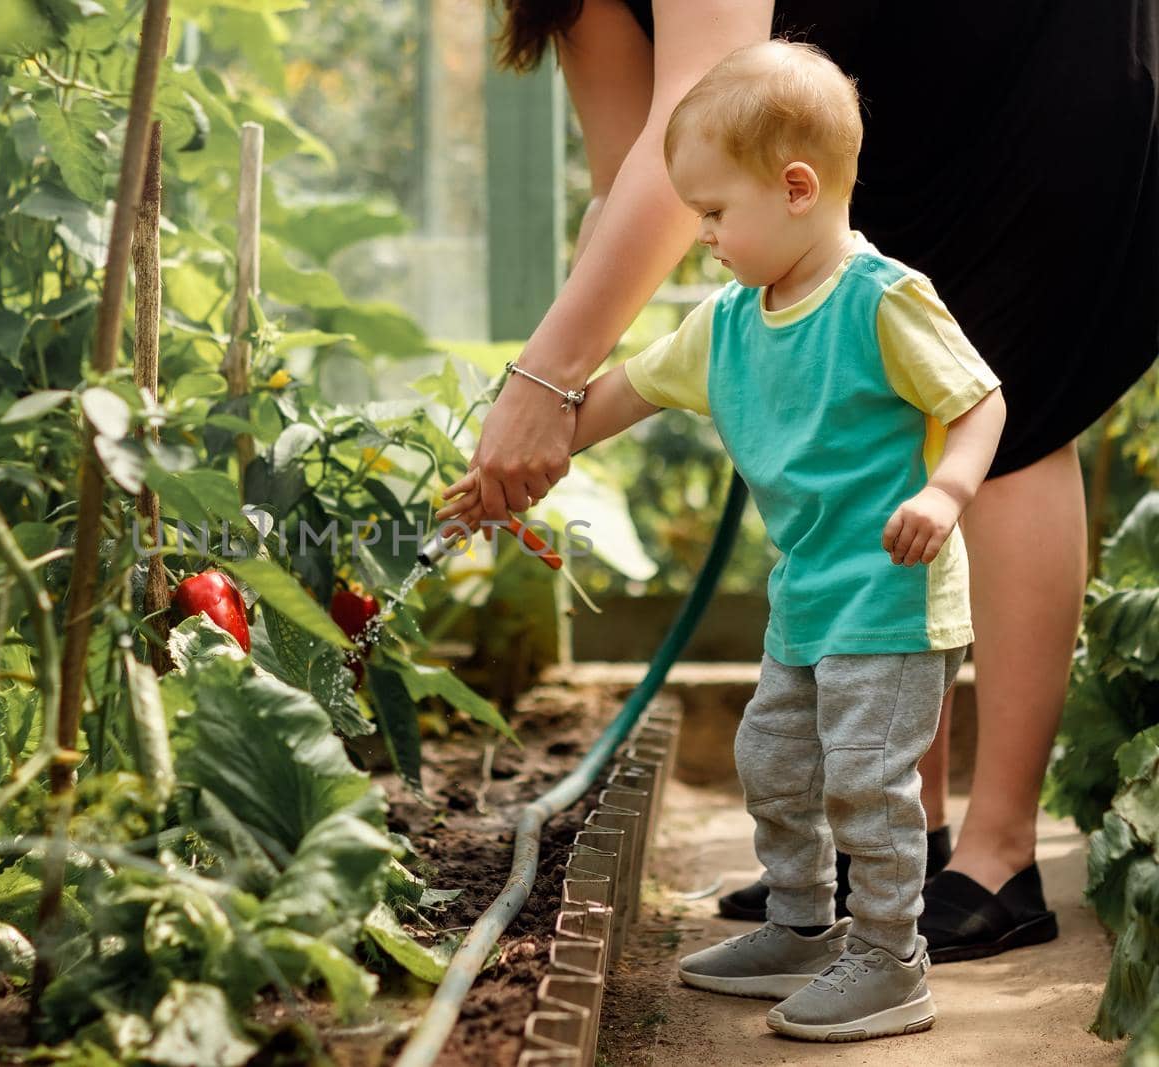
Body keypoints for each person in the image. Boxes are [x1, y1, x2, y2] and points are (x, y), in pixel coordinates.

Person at [458, 0, 1159, 962]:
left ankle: (1002, 854)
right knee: (874, 392)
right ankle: (913, 837)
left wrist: (542, 378)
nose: (711, 232)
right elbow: (649, 174)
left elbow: (695, 128)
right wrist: (569, 392)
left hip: (1027, 53)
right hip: (864, 105)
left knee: (998, 394)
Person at [440, 40, 1005, 1040]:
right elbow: (612, 397)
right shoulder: (729, 323)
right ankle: (799, 925)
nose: (701, 236)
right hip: (806, 598)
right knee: (773, 758)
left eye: (712, 212)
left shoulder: (883, 299)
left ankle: (889, 957)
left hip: (887, 592)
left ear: (795, 188)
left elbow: (979, 401)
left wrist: (949, 492)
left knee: (867, 781)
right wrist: (508, 474)